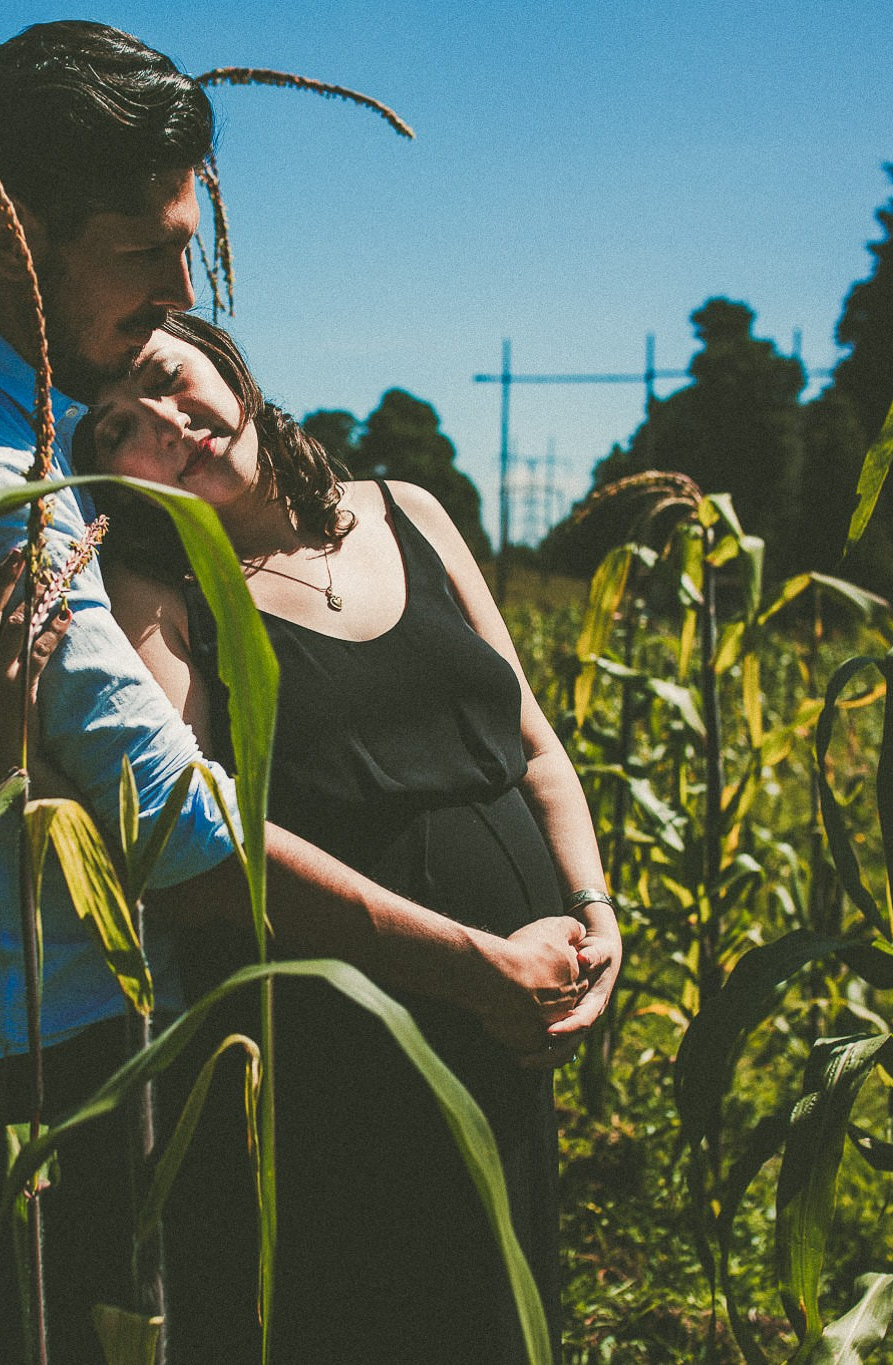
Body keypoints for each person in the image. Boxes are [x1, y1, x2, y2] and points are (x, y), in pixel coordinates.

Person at [0, 21, 607, 1363]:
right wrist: (479, 970)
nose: (184, 285)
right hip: (69, 1078)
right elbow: (173, 836)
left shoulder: (52, 420)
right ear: (18, 239)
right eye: (146, 250)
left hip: (133, 1052)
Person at [71, 310, 622, 1362]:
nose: (162, 420)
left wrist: (593, 914)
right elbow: (197, 847)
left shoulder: (405, 510)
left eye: (161, 376)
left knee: (501, 1312)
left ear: (223, 363)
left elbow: (534, 745)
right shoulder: (158, 593)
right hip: (338, 1051)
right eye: (112, 428)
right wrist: (473, 965)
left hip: (504, 1031)